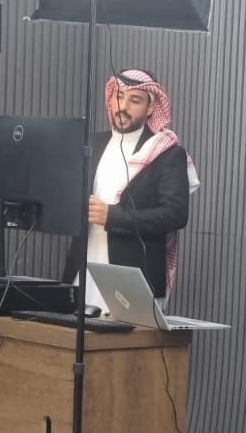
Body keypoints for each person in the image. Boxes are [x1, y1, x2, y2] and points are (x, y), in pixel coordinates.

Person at [61, 68, 198, 311]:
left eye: (134, 100)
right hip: (82, 268)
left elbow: (175, 214)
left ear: (151, 107)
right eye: (118, 96)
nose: (123, 106)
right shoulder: (92, 144)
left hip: (133, 278)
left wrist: (113, 216)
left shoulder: (167, 154)